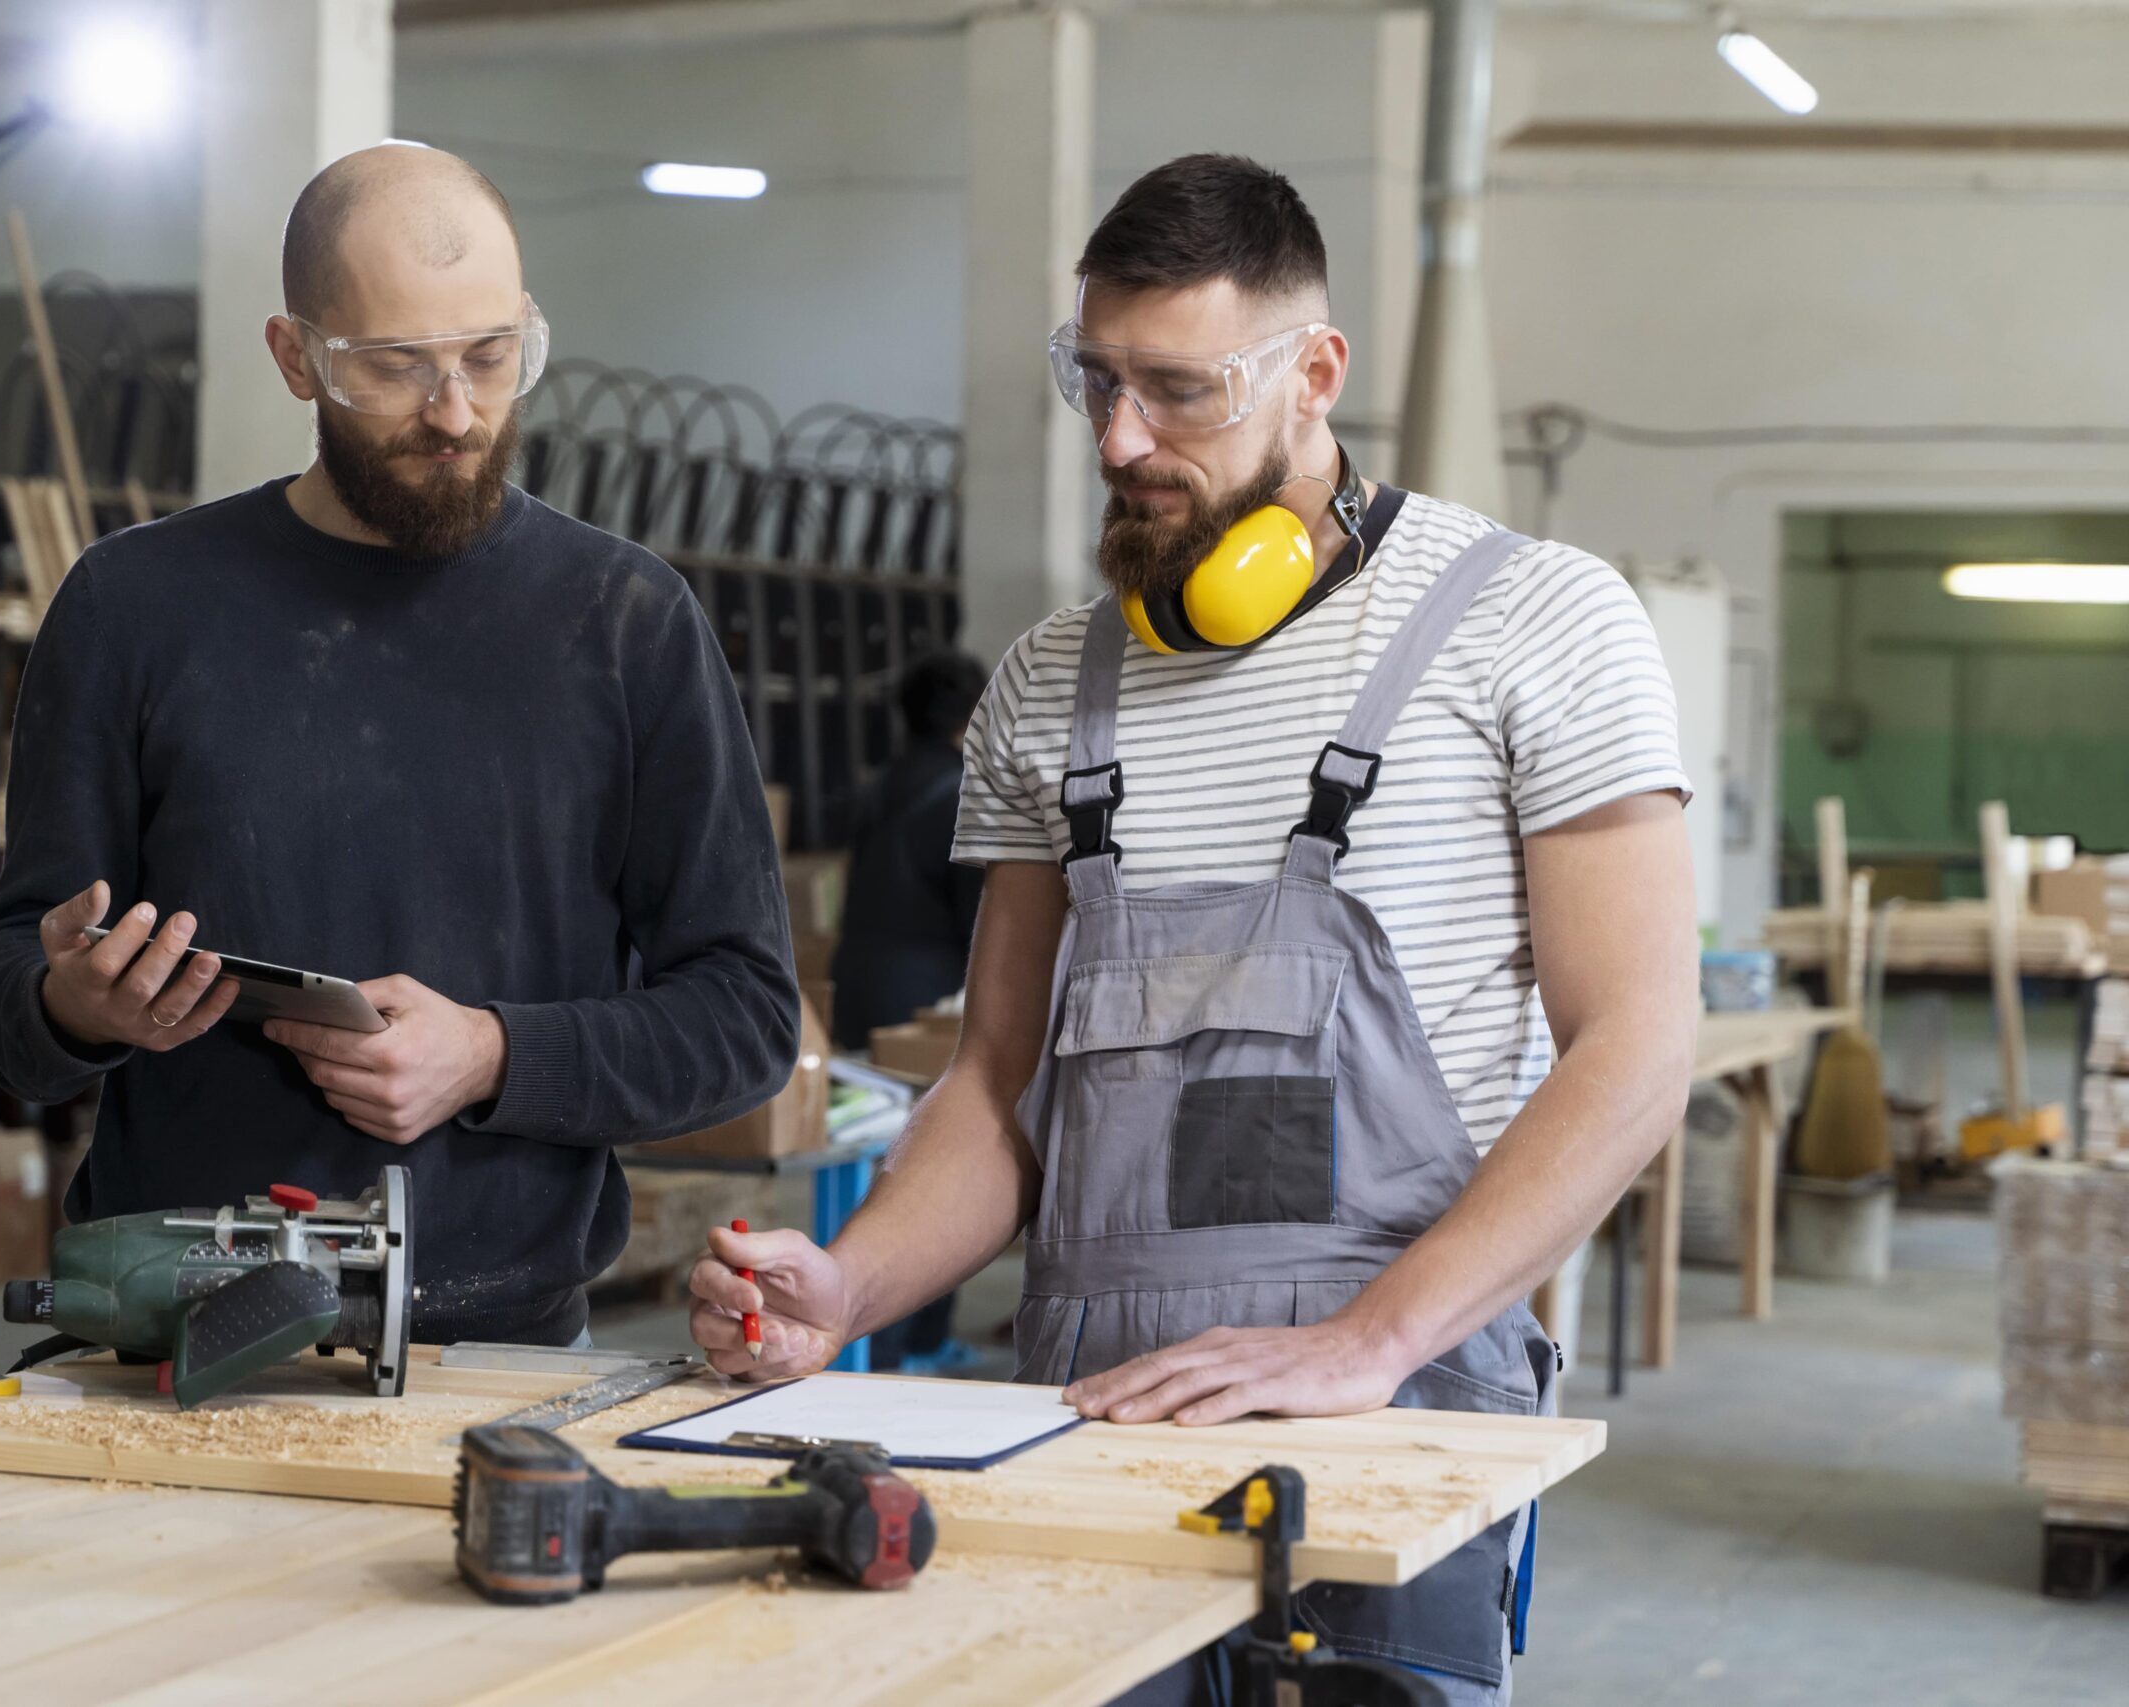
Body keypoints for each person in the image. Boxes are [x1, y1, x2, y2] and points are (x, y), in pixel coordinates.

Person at [689, 154, 1697, 1703]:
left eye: (1177, 390)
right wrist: (855, 1280)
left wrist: (1368, 1339)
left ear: (1315, 372)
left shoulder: (1535, 619)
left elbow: (1638, 1040)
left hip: (1397, 1409)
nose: (1120, 438)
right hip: (1093, 1410)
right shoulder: (1046, 683)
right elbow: (1000, 1078)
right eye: (1095, 381)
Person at [0, 143, 797, 1351]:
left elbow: (746, 1017)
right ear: (295, 356)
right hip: (169, 1322)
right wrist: (77, 1006)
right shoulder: (132, 607)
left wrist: (495, 1055)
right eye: (396, 369)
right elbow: (6, 1003)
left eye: (491, 358)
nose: (455, 414)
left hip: (498, 1343)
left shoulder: (626, 623)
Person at [829, 650, 989, 1372]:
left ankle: (873, 1331)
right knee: (938, 1163)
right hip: (927, 997)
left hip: (861, 986)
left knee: (876, 1158)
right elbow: (977, 916)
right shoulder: (962, 790)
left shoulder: (880, 785)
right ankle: (916, 1342)